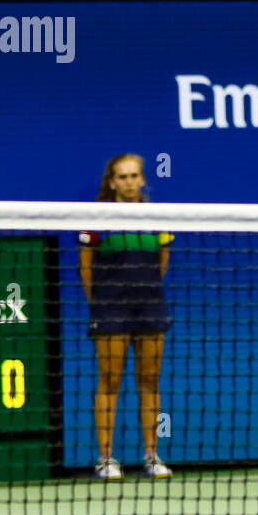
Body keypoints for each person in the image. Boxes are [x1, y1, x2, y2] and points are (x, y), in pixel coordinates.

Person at [80, 154, 173, 481]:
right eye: (123, 176)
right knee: (110, 381)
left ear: (143, 179)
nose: (129, 181)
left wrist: (144, 292)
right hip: (110, 309)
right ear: (112, 182)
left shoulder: (156, 217)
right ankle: (106, 459)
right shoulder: (96, 218)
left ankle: (152, 456)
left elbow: (162, 262)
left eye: (134, 175)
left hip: (150, 306)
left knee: (150, 382)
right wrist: (101, 304)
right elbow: (85, 267)